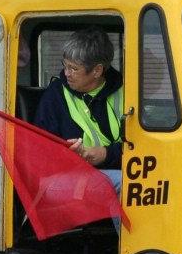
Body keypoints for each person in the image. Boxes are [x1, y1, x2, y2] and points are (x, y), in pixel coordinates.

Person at [34, 29, 124, 219]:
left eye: (74, 69)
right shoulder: (56, 95)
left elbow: (140, 144)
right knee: (127, 186)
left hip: (114, 168)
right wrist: (72, 155)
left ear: (97, 70)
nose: (66, 73)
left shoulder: (126, 90)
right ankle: (130, 249)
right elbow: (40, 151)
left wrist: (105, 154)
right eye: (65, 66)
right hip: (62, 178)